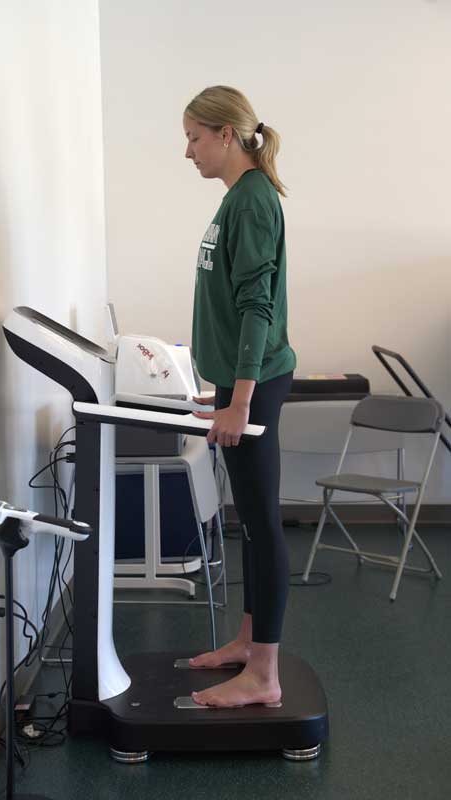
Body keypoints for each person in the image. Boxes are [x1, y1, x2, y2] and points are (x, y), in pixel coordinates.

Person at [183, 85, 296, 708]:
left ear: (227, 135)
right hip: (237, 379)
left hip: (254, 382)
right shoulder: (239, 199)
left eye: (196, 137)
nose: (189, 150)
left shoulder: (251, 202)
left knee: (261, 524)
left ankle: (265, 677)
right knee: (251, 525)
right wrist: (224, 389)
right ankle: (250, 645)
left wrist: (241, 400)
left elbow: (257, 307)